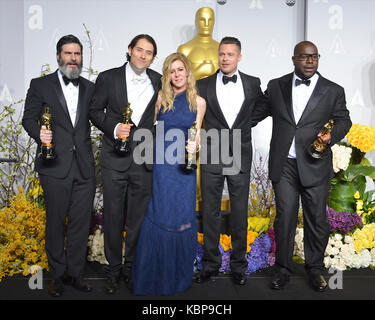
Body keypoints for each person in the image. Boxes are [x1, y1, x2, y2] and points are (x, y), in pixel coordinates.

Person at [252, 41, 352, 291]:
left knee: (316, 219)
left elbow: (344, 119)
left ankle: (315, 269)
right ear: (294, 58)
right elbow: (257, 113)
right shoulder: (276, 86)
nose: (310, 61)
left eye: (314, 57)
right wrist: (227, 124)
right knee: (284, 217)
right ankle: (283, 269)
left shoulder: (333, 90)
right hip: (284, 164)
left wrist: (332, 136)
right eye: (305, 57)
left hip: (314, 163)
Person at [22, 34, 96, 297]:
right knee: (55, 223)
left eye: (77, 54)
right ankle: (57, 276)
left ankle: (75, 274)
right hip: (54, 165)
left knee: (79, 223)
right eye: (68, 53)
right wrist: (39, 133)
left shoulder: (90, 87)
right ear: (58, 56)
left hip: (85, 167)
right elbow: (28, 119)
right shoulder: (40, 85)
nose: (73, 59)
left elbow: (99, 118)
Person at [89, 34, 161, 294]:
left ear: (153, 57)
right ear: (129, 50)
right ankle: (113, 270)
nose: (143, 55)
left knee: (138, 218)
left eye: (149, 52)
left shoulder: (159, 81)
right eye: (139, 49)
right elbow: (95, 111)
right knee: (113, 215)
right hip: (114, 159)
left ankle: (131, 268)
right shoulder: (108, 78)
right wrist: (115, 126)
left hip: (144, 159)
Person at [195, 36, 267, 286]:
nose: (225, 58)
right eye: (222, 54)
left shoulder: (252, 82)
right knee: (211, 210)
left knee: (238, 210)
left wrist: (245, 124)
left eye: (230, 54)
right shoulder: (202, 84)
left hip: (240, 151)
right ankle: (210, 264)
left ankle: (239, 265)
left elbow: (263, 106)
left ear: (239, 56)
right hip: (212, 151)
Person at [132, 52, 206, 295]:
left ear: (187, 71)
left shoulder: (199, 102)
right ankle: (153, 276)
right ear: (167, 75)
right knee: (160, 212)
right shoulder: (161, 97)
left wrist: (196, 146)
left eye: (180, 70)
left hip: (184, 167)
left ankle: (177, 277)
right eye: (172, 71)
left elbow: (197, 133)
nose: (176, 75)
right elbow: (150, 128)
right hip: (162, 164)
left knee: (181, 214)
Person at [177, 7, 219, 80]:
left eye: (210, 20)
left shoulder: (221, 48)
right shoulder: (185, 49)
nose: (206, 24)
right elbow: (179, 79)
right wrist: (200, 71)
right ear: (196, 22)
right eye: (202, 20)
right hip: (194, 91)